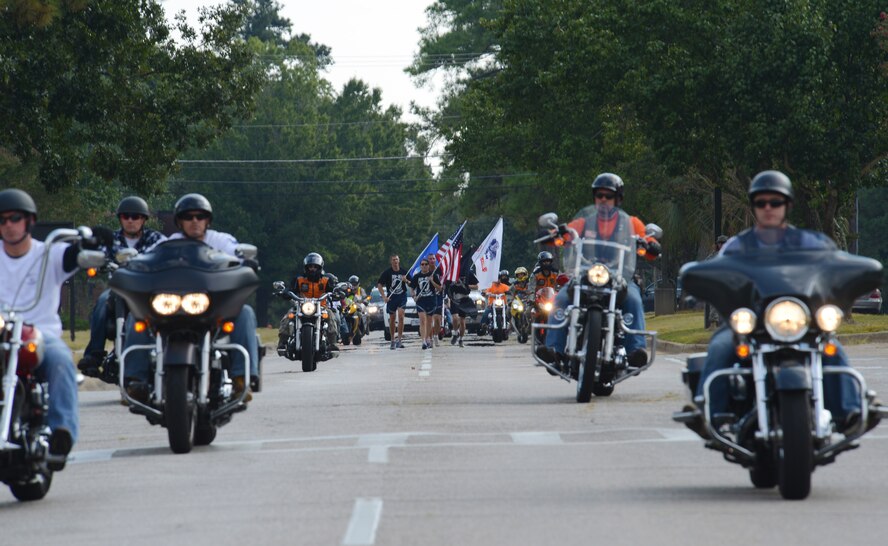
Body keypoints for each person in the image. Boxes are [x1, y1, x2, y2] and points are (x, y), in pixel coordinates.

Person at [693, 170, 878, 434]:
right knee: (721, 346)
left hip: (801, 320)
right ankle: (709, 414)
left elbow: (833, 267)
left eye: (775, 201)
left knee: (831, 348)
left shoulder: (811, 243)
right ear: (754, 207)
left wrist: (858, 274)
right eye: (761, 202)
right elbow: (718, 274)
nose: (768, 208)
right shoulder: (736, 247)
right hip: (752, 322)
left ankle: (850, 412)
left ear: (787, 205)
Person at [123, 193, 259, 402]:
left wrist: (246, 262)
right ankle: (135, 380)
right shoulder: (168, 245)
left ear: (207, 220)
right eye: (188, 217)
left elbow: (238, 256)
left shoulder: (220, 241)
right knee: (137, 315)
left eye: (200, 216)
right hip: (172, 307)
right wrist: (133, 264)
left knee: (245, 312)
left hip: (210, 308)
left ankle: (242, 378)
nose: (194, 221)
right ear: (180, 221)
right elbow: (147, 258)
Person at [0, 189, 97, 470]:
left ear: (29, 221)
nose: (8, 225)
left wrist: (92, 243)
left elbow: (73, 256)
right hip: (3, 334)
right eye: (2, 220)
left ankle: (62, 432)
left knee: (61, 360)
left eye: (15, 218)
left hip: (41, 334)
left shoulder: (49, 253)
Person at [537, 172, 660, 368]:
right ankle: (554, 349)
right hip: (585, 272)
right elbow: (566, 233)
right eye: (599, 195)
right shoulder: (585, 222)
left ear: (618, 198)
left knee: (634, 299)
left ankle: (636, 350)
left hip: (619, 275)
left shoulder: (631, 223)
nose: (603, 199)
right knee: (560, 299)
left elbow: (648, 241)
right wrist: (554, 234)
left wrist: (650, 244)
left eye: (608, 195)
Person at [78, 196, 166, 376]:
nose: (131, 220)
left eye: (135, 216)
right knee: (102, 303)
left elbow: (167, 253)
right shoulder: (112, 239)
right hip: (119, 288)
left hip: (146, 291)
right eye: (126, 216)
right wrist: (96, 261)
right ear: (120, 219)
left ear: (143, 219)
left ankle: (163, 352)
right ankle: (94, 355)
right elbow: (99, 254)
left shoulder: (156, 239)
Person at [277, 252, 337, 355]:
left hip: (321, 307)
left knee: (331, 316)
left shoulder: (326, 280)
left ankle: (332, 344)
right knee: (288, 317)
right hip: (301, 306)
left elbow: (333, 290)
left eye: (315, 267)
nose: (312, 269)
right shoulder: (299, 279)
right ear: (306, 267)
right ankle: (282, 342)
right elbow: (291, 289)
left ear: (320, 267)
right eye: (310, 266)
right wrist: (285, 292)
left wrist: (337, 293)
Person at [377, 254, 409, 350]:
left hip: (402, 296)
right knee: (392, 318)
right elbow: (379, 284)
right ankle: (392, 340)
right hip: (391, 297)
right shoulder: (387, 273)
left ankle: (399, 340)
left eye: (396, 259)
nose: (395, 261)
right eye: (393, 260)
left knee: (401, 316)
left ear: (399, 261)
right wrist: (384, 297)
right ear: (391, 262)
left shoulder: (404, 272)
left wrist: (406, 281)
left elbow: (412, 283)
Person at [411, 258, 441, 350]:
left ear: (428, 266)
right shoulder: (417, 276)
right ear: (420, 266)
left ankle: (427, 338)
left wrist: (432, 281)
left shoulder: (433, 275)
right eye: (422, 264)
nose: (424, 266)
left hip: (431, 300)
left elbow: (439, 288)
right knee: (422, 320)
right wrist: (414, 296)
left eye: (426, 264)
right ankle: (423, 341)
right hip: (421, 301)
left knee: (429, 321)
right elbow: (412, 288)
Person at [447, 263, 480, 347]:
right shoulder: (451, 273)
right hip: (454, 298)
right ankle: (455, 333)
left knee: (462, 320)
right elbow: (447, 286)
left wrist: (467, 286)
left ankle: (461, 339)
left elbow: (476, 286)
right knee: (455, 318)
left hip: (464, 298)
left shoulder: (468, 272)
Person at [704, 235, 729, 328]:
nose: (721, 245)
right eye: (720, 243)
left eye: (723, 243)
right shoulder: (713, 255)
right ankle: (713, 323)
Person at [427, 253, 445, 347]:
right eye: (430, 259)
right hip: (429, 297)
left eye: (433, 258)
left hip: (438, 296)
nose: (432, 260)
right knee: (431, 319)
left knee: (438, 319)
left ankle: (435, 335)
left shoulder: (440, 270)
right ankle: (430, 338)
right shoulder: (425, 270)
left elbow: (442, 283)